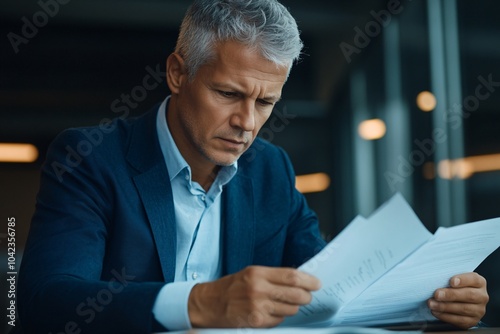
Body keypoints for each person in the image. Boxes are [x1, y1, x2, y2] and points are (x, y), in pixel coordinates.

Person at [17, 0, 489, 333]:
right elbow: (44, 302)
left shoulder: (271, 171)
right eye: (228, 94)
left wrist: (429, 305)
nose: (247, 123)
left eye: (266, 102)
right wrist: (203, 303)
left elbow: (329, 289)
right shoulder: (91, 157)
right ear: (178, 73)